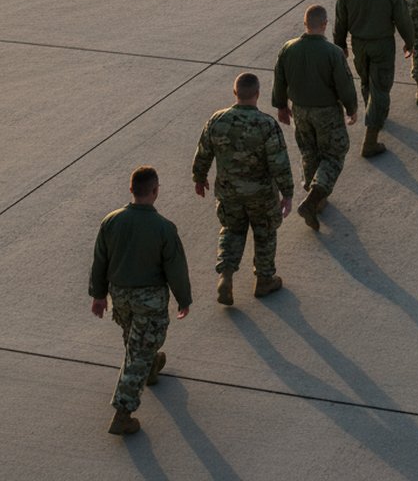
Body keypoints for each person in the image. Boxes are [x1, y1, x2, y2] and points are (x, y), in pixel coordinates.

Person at [89, 166, 191, 436]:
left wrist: (99, 295)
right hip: (150, 299)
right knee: (138, 352)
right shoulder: (164, 228)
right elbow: (176, 268)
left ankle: (151, 365)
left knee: (135, 340)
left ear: (131, 189)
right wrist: (184, 299)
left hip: (120, 295)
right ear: (155, 191)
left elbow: (100, 261)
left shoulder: (111, 221)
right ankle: (123, 412)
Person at [192, 72, 293, 304]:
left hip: (229, 192)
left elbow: (203, 152)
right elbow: (279, 163)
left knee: (231, 230)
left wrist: (199, 177)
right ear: (257, 94)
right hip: (262, 194)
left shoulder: (217, 120)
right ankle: (264, 280)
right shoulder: (267, 125)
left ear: (234, 92)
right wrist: (287, 193)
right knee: (265, 233)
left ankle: (225, 276)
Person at [272, 5, 358, 227]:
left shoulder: (288, 49)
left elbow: (279, 80)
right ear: (325, 24)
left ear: (305, 24)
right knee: (334, 153)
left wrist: (281, 106)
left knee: (309, 152)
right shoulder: (332, 52)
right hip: (326, 111)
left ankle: (315, 198)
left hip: (300, 110)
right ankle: (313, 199)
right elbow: (344, 85)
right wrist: (351, 108)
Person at [333, 0, 414, 159]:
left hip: (358, 43)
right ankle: (371, 138)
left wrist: (340, 44)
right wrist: (410, 42)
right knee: (381, 86)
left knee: (367, 82)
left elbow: (340, 20)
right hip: (382, 45)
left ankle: (375, 113)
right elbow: (403, 20)